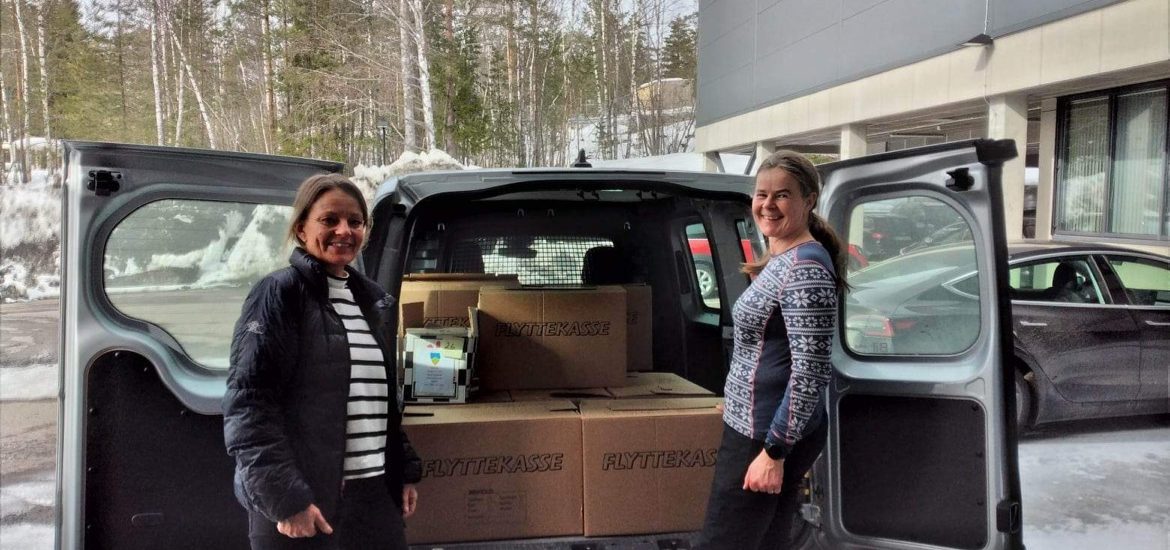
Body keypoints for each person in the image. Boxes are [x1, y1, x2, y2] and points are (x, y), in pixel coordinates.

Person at [223, 174, 421, 550]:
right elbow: (249, 407)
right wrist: (287, 500)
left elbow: (376, 402)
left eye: (355, 221)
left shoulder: (371, 303)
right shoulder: (278, 294)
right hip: (308, 502)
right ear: (301, 229)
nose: (344, 230)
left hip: (373, 496)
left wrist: (403, 470)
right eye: (330, 220)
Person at [697, 150, 847, 549]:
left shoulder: (805, 270)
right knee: (766, 540)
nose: (768, 204)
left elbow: (810, 371)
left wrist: (774, 451)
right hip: (757, 423)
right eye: (761, 194)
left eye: (782, 195)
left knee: (722, 541)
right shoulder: (785, 258)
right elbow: (767, 349)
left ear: (809, 200)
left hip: (766, 433)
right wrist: (737, 397)